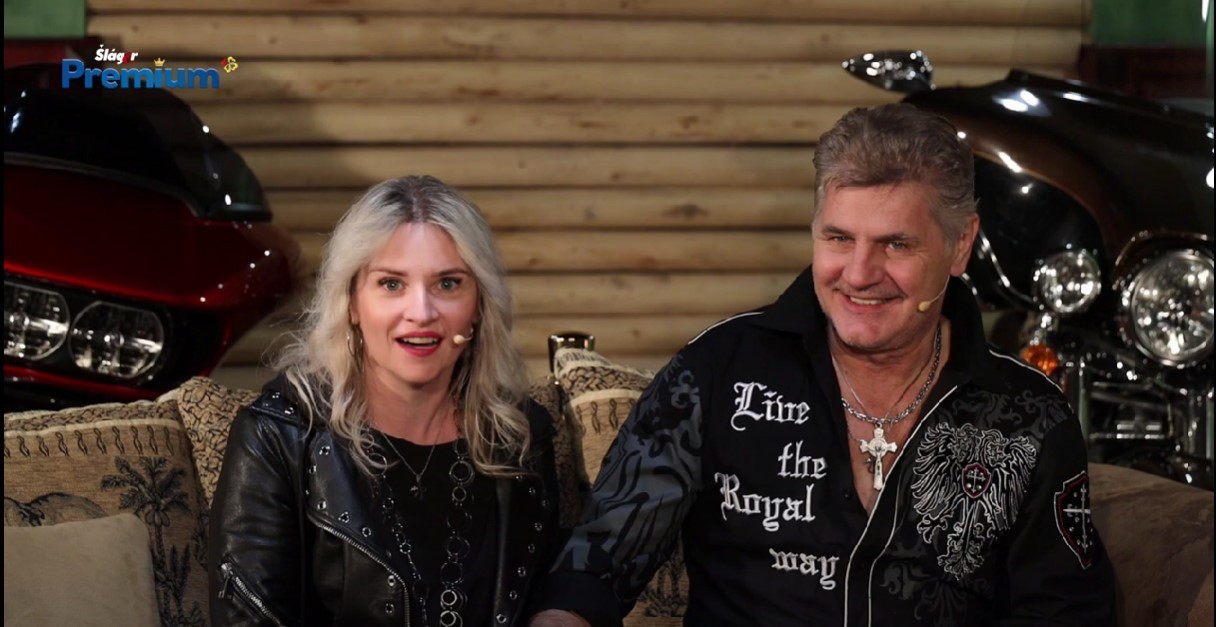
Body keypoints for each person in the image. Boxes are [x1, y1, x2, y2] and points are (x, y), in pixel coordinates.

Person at [529, 103, 1115, 626]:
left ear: (960, 245)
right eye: (838, 239)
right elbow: (597, 563)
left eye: (895, 244)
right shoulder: (716, 372)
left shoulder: (1030, 416)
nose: (858, 275)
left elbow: (1066, 612)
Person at [209, 175, 562, 627]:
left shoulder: (520, 436)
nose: (422, 312)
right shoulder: (280, 436)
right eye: (392, 284)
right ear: (352, 303)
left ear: (478, 305)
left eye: (448, 284)